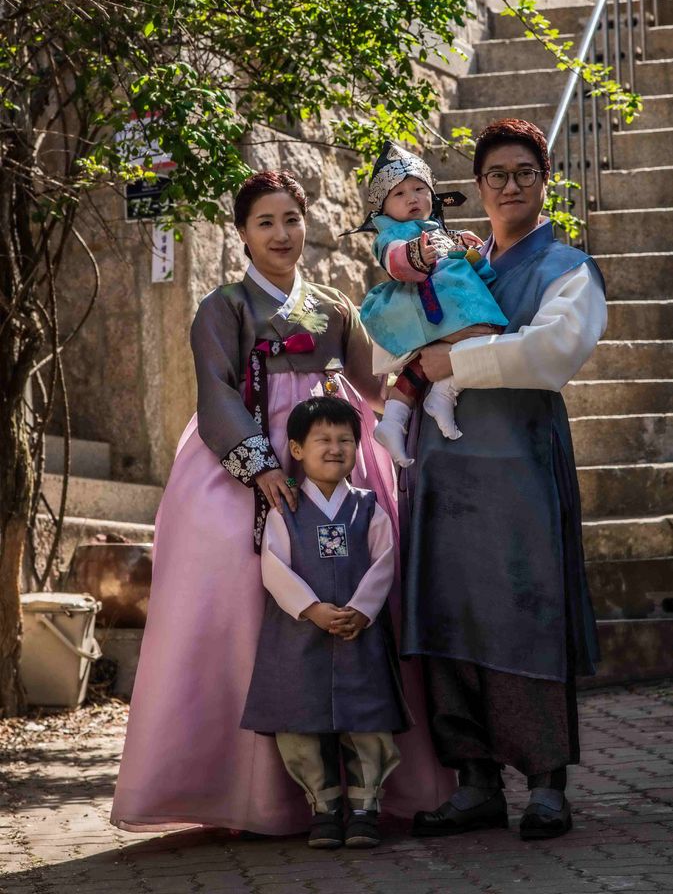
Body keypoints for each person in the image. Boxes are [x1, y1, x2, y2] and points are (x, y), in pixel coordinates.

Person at [110, 169, 452, 835]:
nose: (281, 234)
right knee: (236, 587)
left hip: (331, 459)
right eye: (264, 222)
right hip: (249, 464)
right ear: (241, 234)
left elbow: (372, 384)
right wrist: (258, 465)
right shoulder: (223, 308)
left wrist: (431, 369)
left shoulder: (333, 307)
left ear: (306, 225)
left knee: (363, 586)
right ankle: (252, 790)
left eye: (290, 220)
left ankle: (362, 783)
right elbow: (216, 393)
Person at [403, 119, 608, 841]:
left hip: (519, 467)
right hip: (445, 473)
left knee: (526, 617)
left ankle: (546, 786)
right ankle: (474, 783)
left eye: (524, 172)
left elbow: (552, 350)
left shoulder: (565, 264)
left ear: (544, 180)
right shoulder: (458, 264)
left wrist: (452, 366)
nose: (511, 185)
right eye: (496, 175)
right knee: (449, 612)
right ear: (479, 187)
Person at [241, 397, 410, 850]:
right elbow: (273, 566)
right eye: (323, 440)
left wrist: (362, 608)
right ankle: (324, 807)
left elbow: (384, 562)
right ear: (296, 449)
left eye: (345, 440)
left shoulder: (368, 507)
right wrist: (311, 608)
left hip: (360, 633)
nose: (335, 448)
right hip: (299, 636)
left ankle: (364, 807)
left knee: (367, 721)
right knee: (299, 722)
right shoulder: (285, 509)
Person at [357, 141, 508, 467]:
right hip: (421, 303)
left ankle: (399, 415)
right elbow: (394, 258)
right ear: (383, 209)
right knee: (484, 332)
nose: (412, 198)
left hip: (450, 304)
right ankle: (438, 397)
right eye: (399, 194)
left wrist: (471, 252)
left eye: (419, 189)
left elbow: (473, 269)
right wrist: (414, 255)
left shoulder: (441, 231)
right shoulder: (391, 233)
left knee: (477, 338)